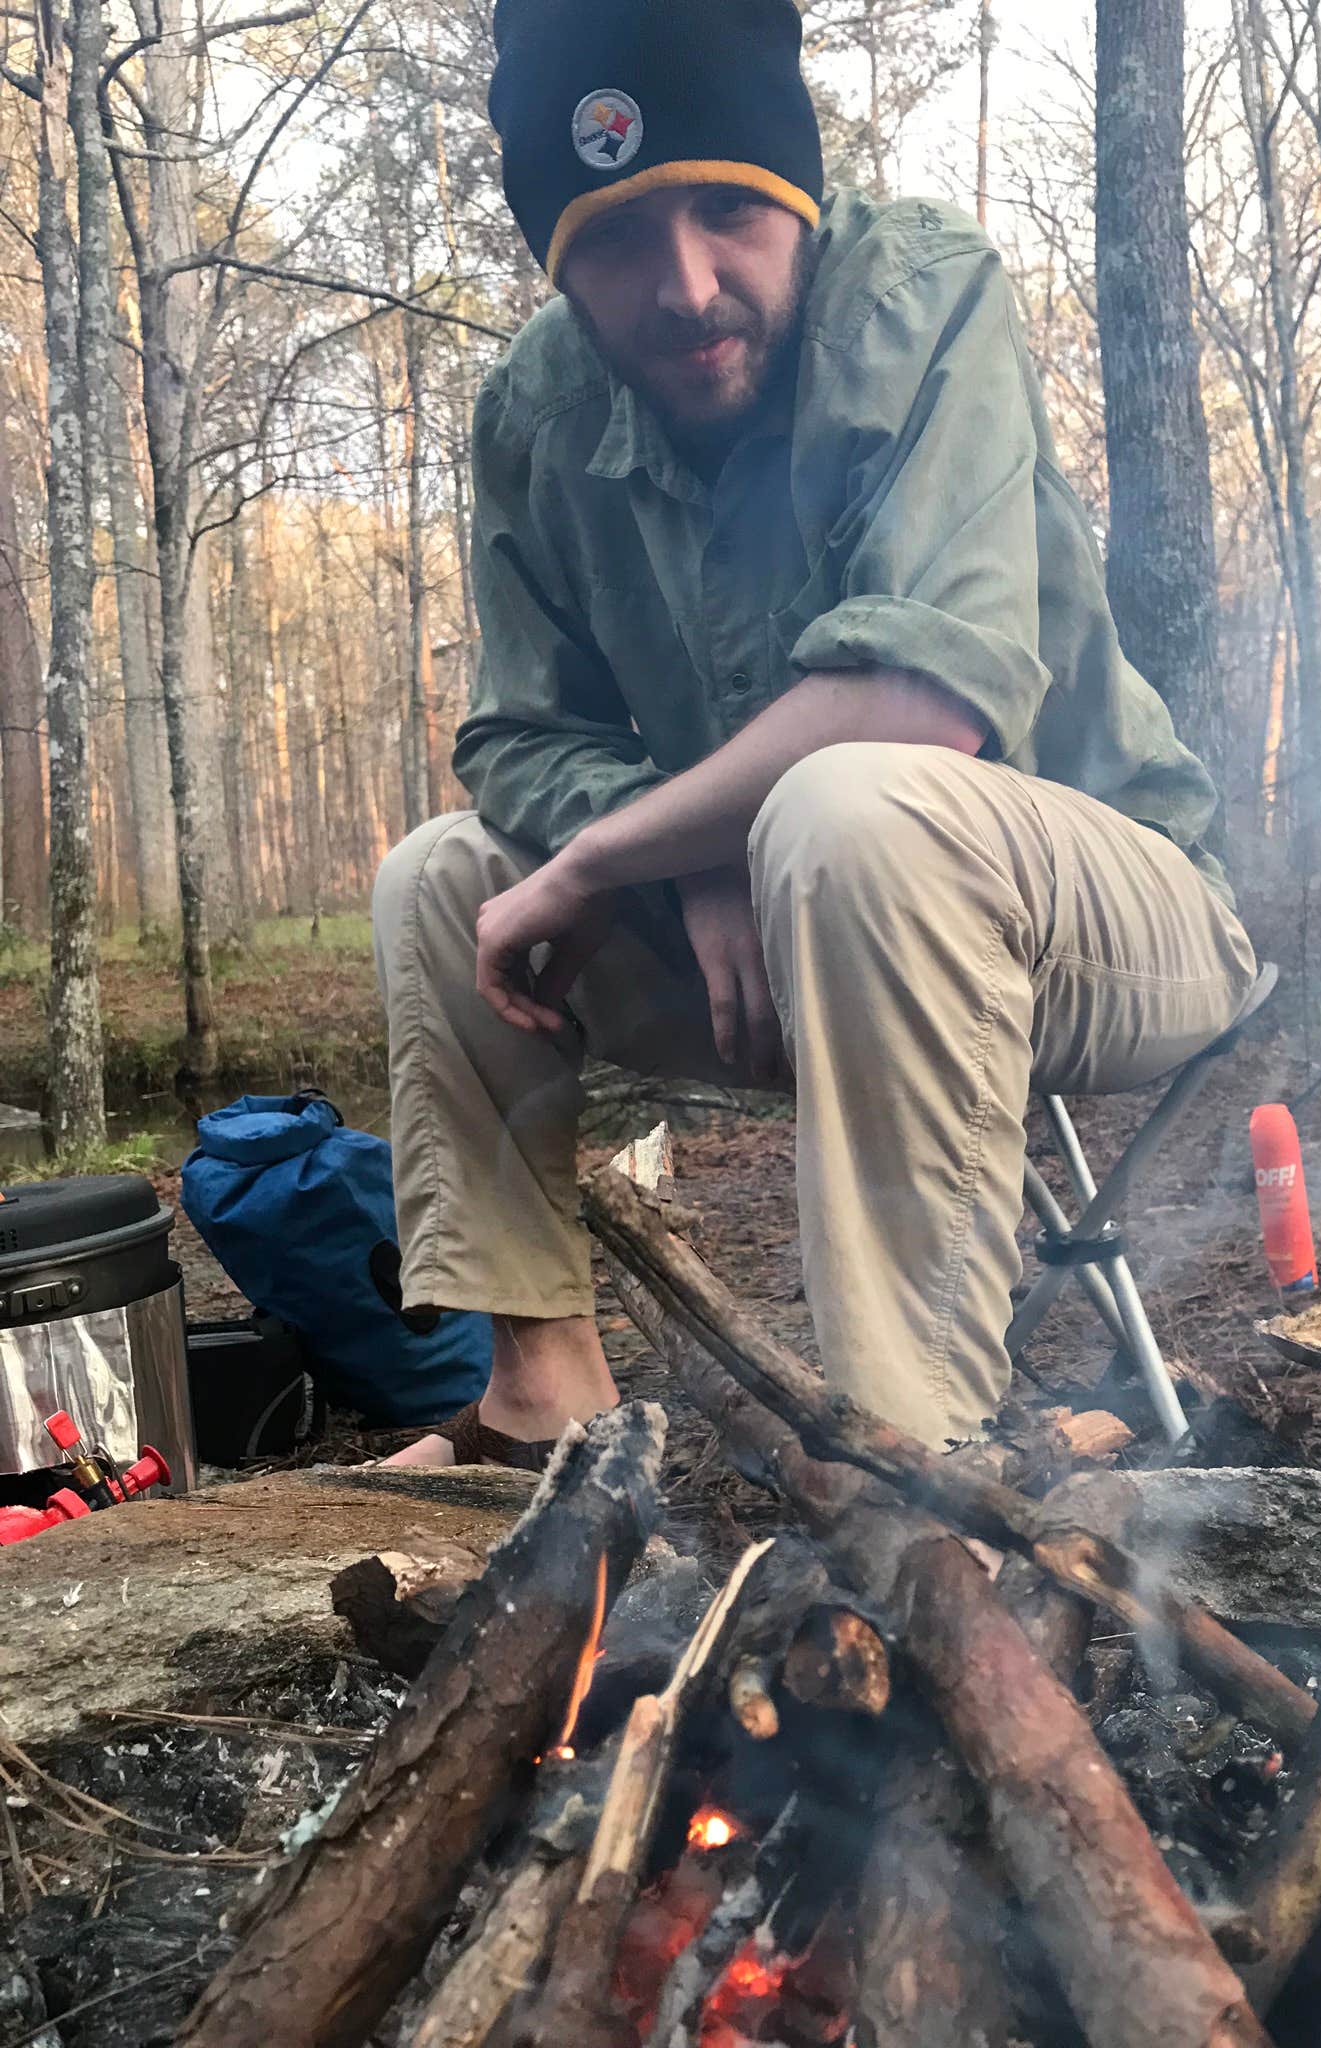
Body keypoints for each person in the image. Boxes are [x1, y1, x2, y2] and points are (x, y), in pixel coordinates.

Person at [372, 0, 1257, 1466]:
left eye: (728, 211)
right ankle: (542, 1403)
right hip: (779, 933)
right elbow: (520, 733)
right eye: (616, 239)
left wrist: (620, 856)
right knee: (438, 881)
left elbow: (925, 698)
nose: (686, 288)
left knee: (851, 809)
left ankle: (914, 1463)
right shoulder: (539, 406)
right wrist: (687, 854)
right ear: (557, 262)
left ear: (797, 193)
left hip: (1104, 920)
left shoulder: (920, 295)